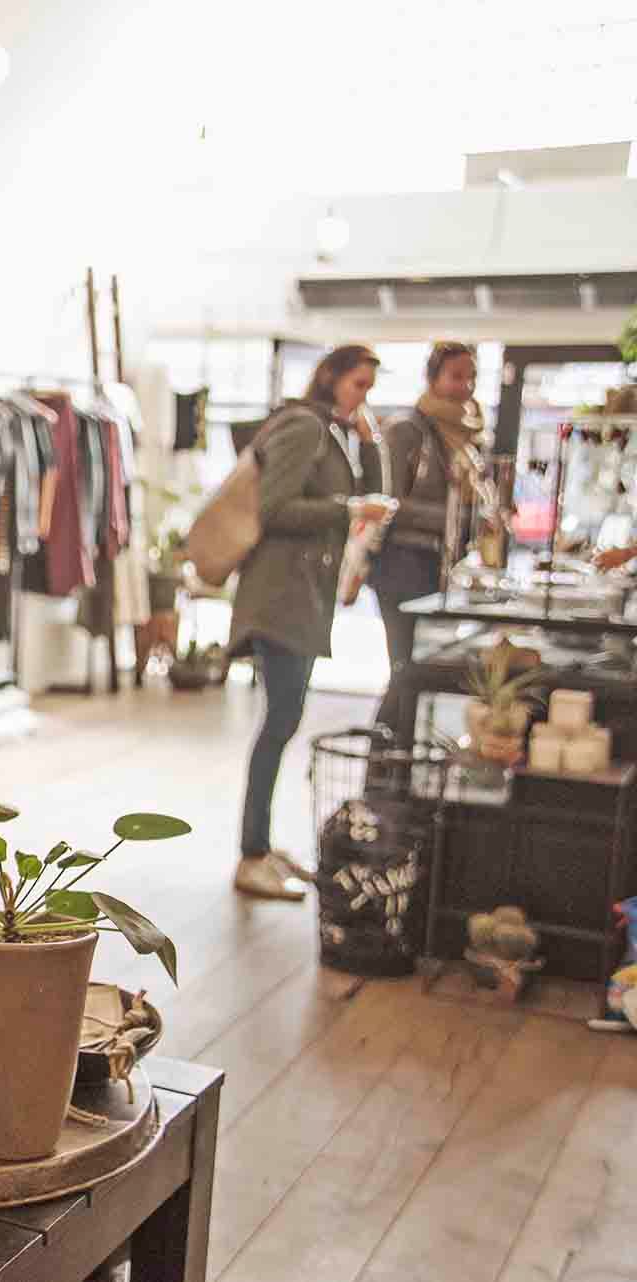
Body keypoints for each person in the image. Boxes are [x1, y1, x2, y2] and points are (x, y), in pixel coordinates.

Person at [230, 345, 391, 900]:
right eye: (358, 385)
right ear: (331, 379)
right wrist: (346, 510)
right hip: (280, 596)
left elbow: (374, 494)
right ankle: (251, 854)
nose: (364, 396)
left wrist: (371, 446)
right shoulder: (302, 426)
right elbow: (274, 509)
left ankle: (260, 846)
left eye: (370, 387)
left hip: (299, 596)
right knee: (280, 721)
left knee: (283, 720)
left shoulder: (333, 429)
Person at [370, 342, 482, 734]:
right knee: (406, 667)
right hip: (403, 563)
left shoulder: (466, 437)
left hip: (440, 566)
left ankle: (399, 764)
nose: (464, 386)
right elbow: (390, 502)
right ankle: (383, 766)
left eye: (471, 377)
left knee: (420, 669)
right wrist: (464, 517)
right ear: (433, 377)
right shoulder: (407, 429)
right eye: (455, 376)